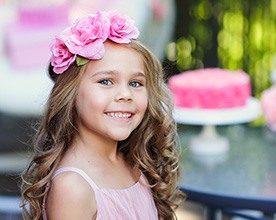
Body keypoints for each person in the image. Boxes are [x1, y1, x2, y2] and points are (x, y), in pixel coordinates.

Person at [21, 10, 185, 220]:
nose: (125, 95)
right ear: (70, 93)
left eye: (135, 83)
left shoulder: (134, 162)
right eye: (106, 81)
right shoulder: (73, 187)